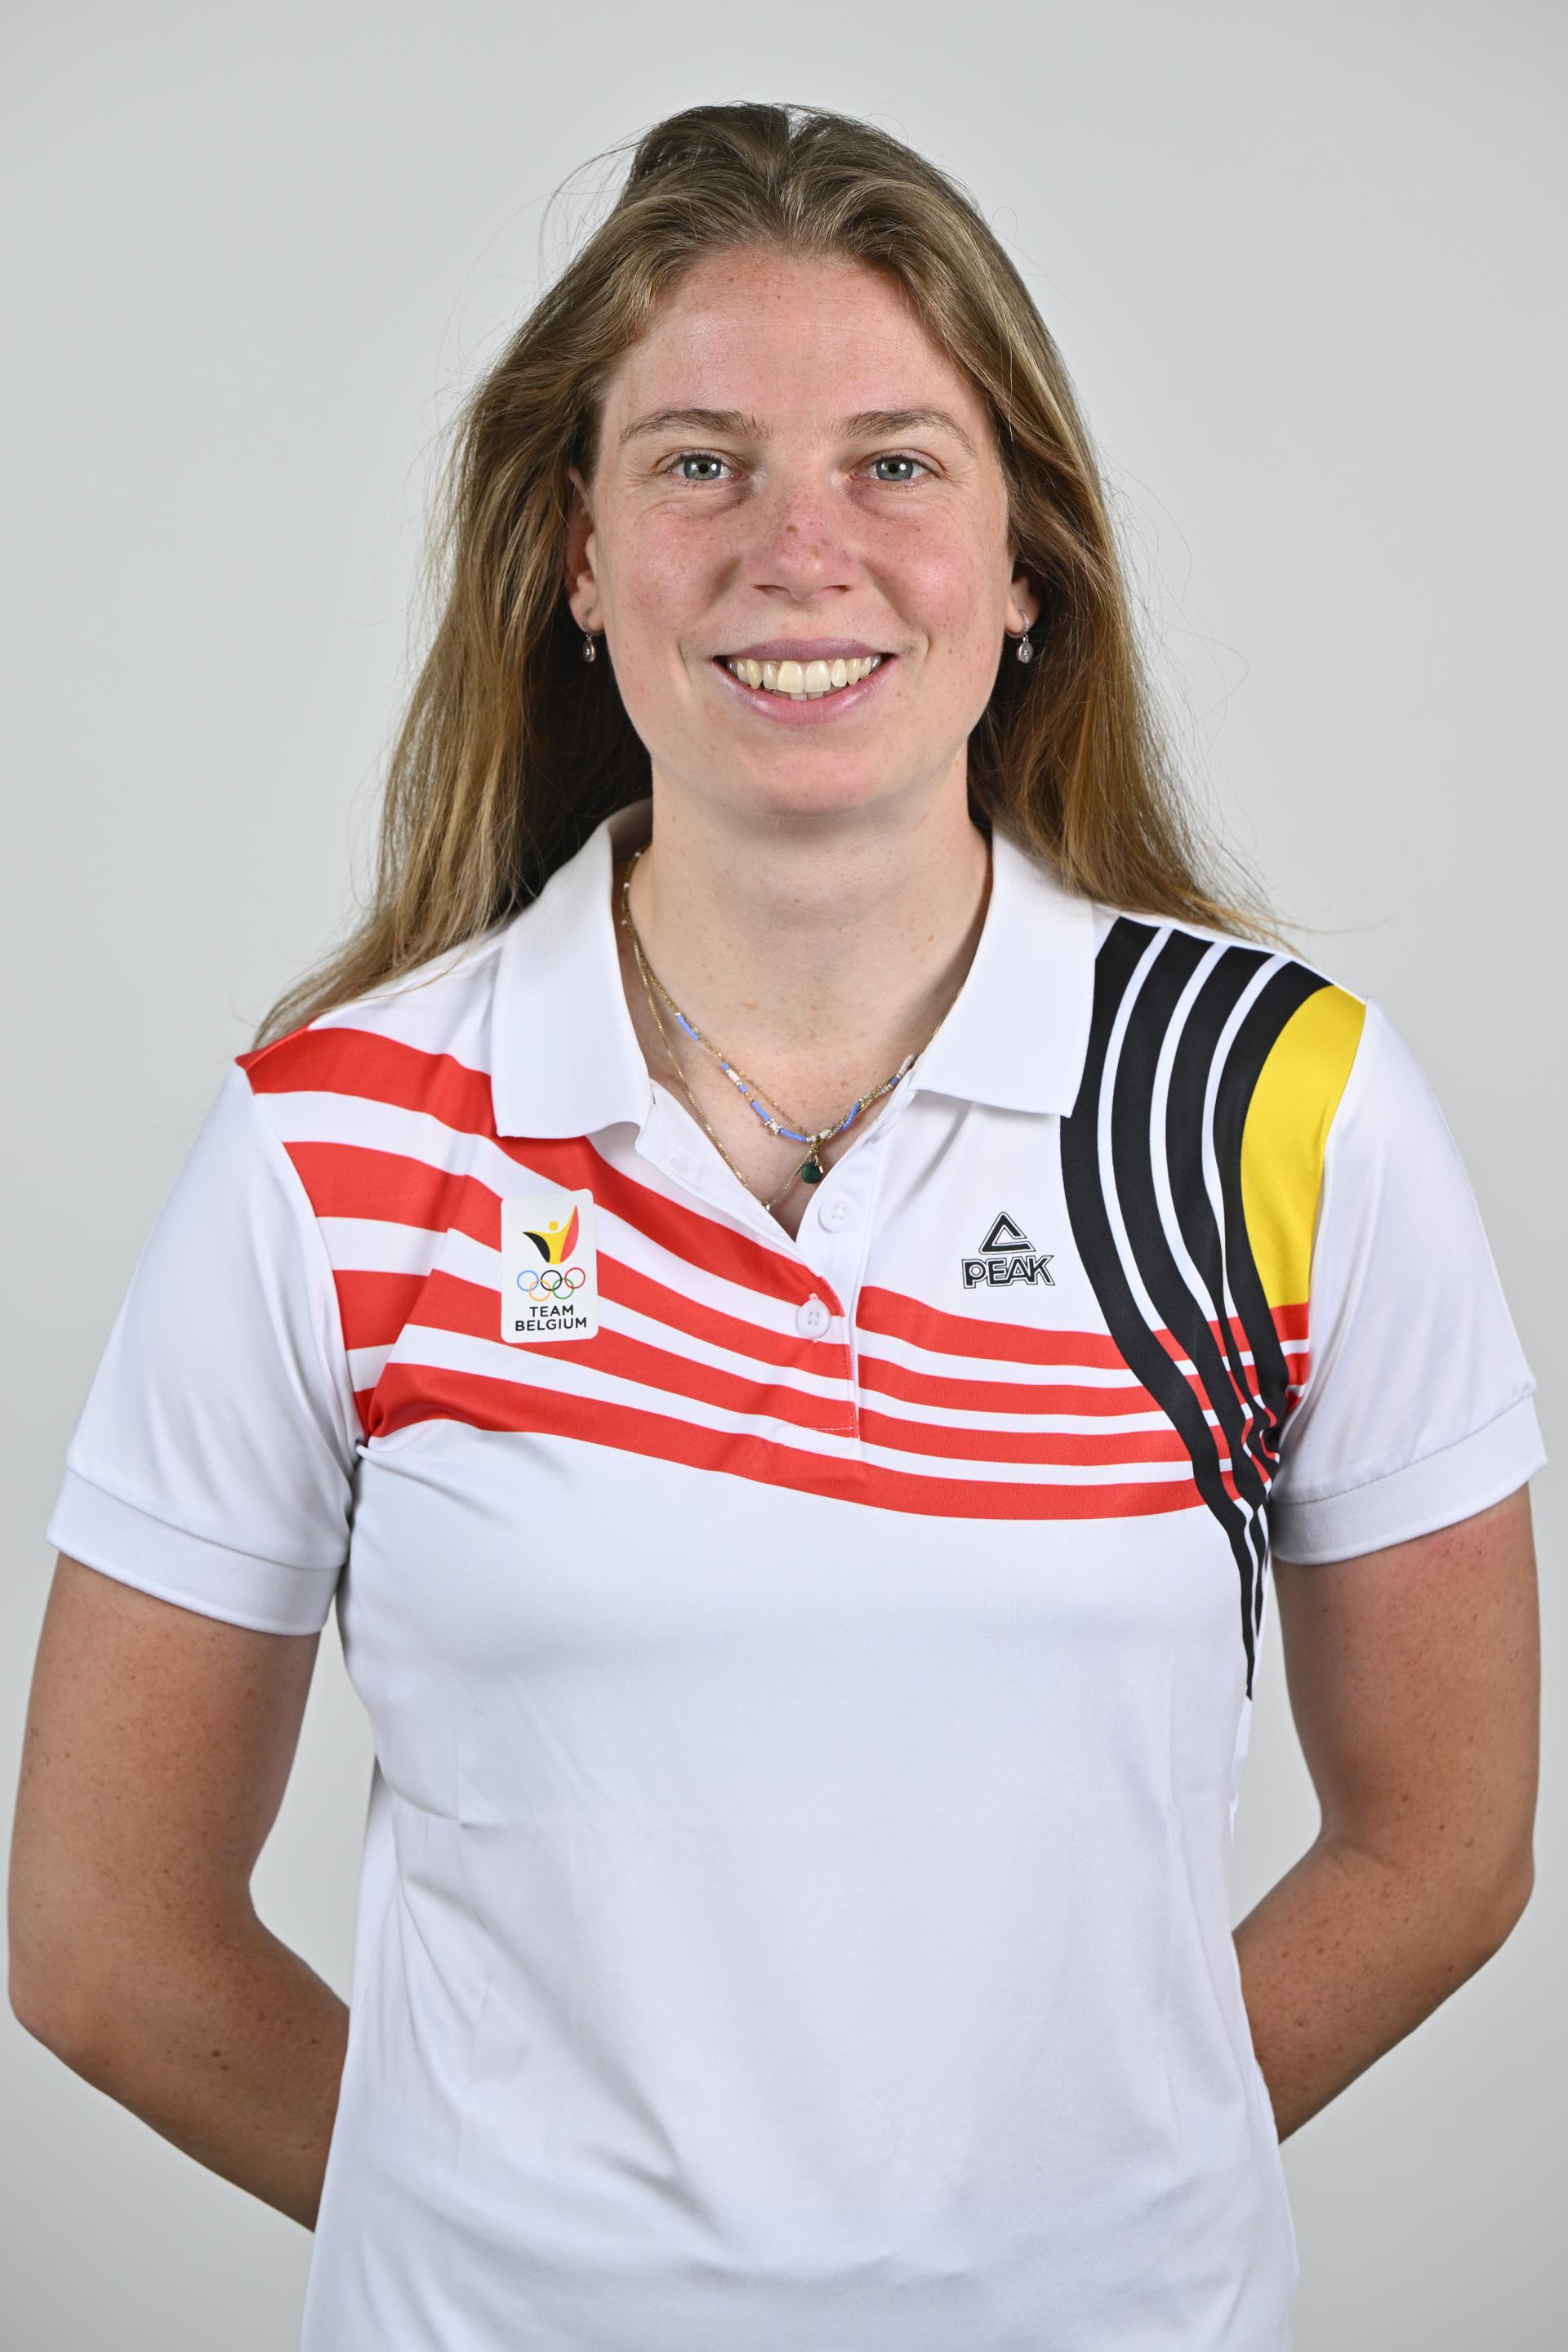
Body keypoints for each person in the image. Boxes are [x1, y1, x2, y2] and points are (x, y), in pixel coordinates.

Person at [11, 100, 1544, 2352]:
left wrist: (1084, 2211)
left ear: (1026, 564)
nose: (798, 550)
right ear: (578, 554)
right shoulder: (328, 1148)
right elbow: (104, 1938)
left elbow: (1446, 1844)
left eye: (897, 464)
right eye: (700, 464)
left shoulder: (1280, 1110)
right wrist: (531, 2256)